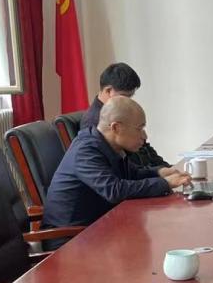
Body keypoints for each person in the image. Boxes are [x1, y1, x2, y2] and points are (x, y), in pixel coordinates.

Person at [42, 96, 191, 230]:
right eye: (139, 128)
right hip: (70, 237)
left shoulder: (108, 144)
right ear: (116, 128)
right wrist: (165, 183)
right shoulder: (85, 151)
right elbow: (114, 190)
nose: (144, 136)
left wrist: (159, 172)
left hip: (98, 226)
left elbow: (132, 174)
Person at [83, 62, 183, 175]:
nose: (128, 101)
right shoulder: (94, 122)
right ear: (108, 91)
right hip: (135, 178)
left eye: (130, 96)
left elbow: (144, 148)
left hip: (147, 173)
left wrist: (168, 168)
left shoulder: (122, 111)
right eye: (124, 96)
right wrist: (160, 176)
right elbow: (124, 169)